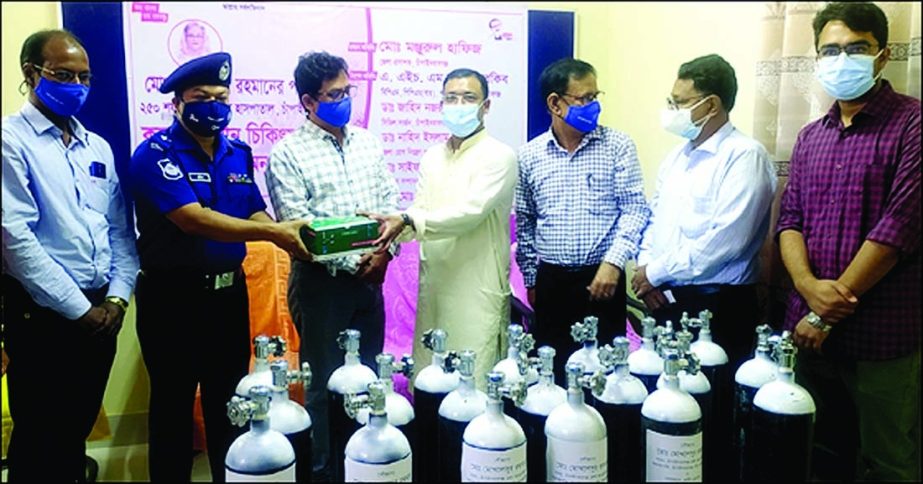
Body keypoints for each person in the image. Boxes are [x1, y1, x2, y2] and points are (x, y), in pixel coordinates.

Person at [121, 52, 311, 482]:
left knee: (230, 404)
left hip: (229, 296)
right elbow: (194, 219)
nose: (214, 105)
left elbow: (256, 212)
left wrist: (288, 232)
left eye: (221, 97)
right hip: (173, 299)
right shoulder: (154, 154)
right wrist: (276, 234)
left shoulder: (238, 153)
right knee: (172, 409)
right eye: (201, 97)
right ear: (177, 104)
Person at [776, 2, 920, 481]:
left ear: (882, 56)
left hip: (883, 335)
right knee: (810, 450)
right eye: (830, 50)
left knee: (887, 461)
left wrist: (822, 310)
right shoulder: (809, 137)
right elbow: (790, 220)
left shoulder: (912, 124)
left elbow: (899, 225)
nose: (842, 59)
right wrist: (806, 287)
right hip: (808, 335)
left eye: (856, 48)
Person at [631, 53, 777, 482]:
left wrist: (656, 273)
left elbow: (725, 241)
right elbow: (654, 220)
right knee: (666, 415)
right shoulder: (678, 157)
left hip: (720, 307)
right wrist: (646, 271)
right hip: (667, 302)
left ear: (711, 105)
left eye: (679, 101)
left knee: (712, 421)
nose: (671, 110)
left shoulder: (743, 156)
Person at [2, 29, 140, 481]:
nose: (77, 87)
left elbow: (120, 231)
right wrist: (79, 309)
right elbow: (14, 237)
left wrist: (118, 299)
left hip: (102, 313)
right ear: (31, 73)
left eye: (85, 77)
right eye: (64, 75)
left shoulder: (96, 146)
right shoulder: (10, 141)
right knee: (41, 438)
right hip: (44, 316)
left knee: (76, 431)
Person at [265, 50, 399, 482]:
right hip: (321, 284)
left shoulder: (368, 143)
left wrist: (384, 254)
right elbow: (301, 229)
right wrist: (356, 260)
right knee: (324, 385)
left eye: (347, 90)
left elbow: (388, 205)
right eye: (333, 94)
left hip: (372, 280)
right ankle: (325, 471)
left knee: (368, 380)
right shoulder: (287, 153)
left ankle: (367, 464)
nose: (344, 100)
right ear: (308, 101)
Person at [365, 68, 519, 391]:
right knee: (428, 381)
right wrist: (387, 228)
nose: (458, 105)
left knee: (472, 389)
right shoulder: (432, 156)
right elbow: (421, 209)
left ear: (486, 106)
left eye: (468, 98)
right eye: (451, 98)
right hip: (435, 287)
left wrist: (406, 222)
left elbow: (469, 213)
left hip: (477, 291)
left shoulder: (500, 156)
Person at [515, 58, 649, 385]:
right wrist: (532, 280)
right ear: (555, 104)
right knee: (553, 375)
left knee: (604, 379)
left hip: (602, 280)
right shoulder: (530, 156)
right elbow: (526, 223)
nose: (594, 106)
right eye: (584, 99)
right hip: (552, 284)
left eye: (596, 96)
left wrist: (613, 264)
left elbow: (635, 209)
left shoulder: (617, 146)